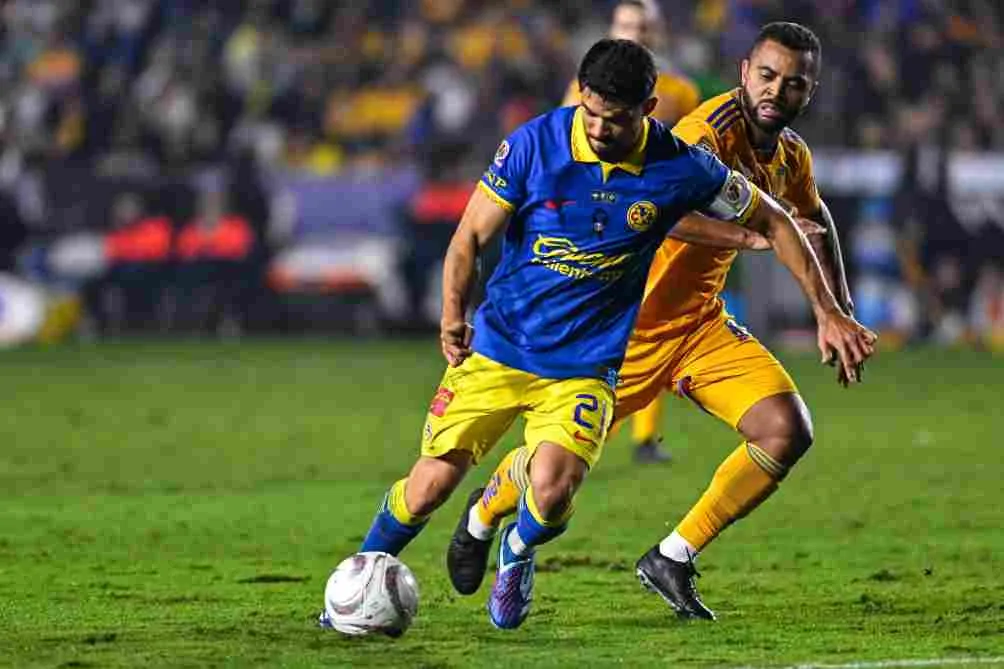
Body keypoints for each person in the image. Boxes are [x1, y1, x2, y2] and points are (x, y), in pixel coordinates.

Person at [326, 38, 873, 632]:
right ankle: (358, 582)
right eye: (591, 114)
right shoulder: (542, 144)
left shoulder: (690, 161)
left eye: (616, 119)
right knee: (430, 484)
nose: (601, 128)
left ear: (647, 108)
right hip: (511, 343)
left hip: (604, 353)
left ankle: (541, 551)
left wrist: (831, 309)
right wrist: (451, 313)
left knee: (562, 488)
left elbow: (783, 217)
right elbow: (468, 237)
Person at [563, 0, 703, 463]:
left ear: (657, 34)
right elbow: (563, 154)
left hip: (656, 225)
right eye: (626, 25)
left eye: (641, 26)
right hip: (600, 226)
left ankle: (638, 435)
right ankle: (571, 419)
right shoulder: (581, 90)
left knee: (650, 323)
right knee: (596, 325)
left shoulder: (681, 92)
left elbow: (693, 159)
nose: (634, 33)